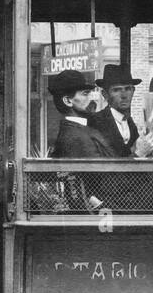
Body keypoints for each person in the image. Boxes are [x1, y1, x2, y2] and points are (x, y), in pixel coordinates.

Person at [47, 69, 117, 209]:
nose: (91, 98)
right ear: (68, 101)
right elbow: (106, 178)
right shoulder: (75, 136)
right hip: (106, 208)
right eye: (85, 94)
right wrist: (138, 154)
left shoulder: (79, 130)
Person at [89, 64, 151, 157]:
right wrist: (138, 154)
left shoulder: (130, 123)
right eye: (116, 90)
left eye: (128, 89)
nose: (124, 95)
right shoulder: (95, 122)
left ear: (133, 91)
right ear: (105, 94)